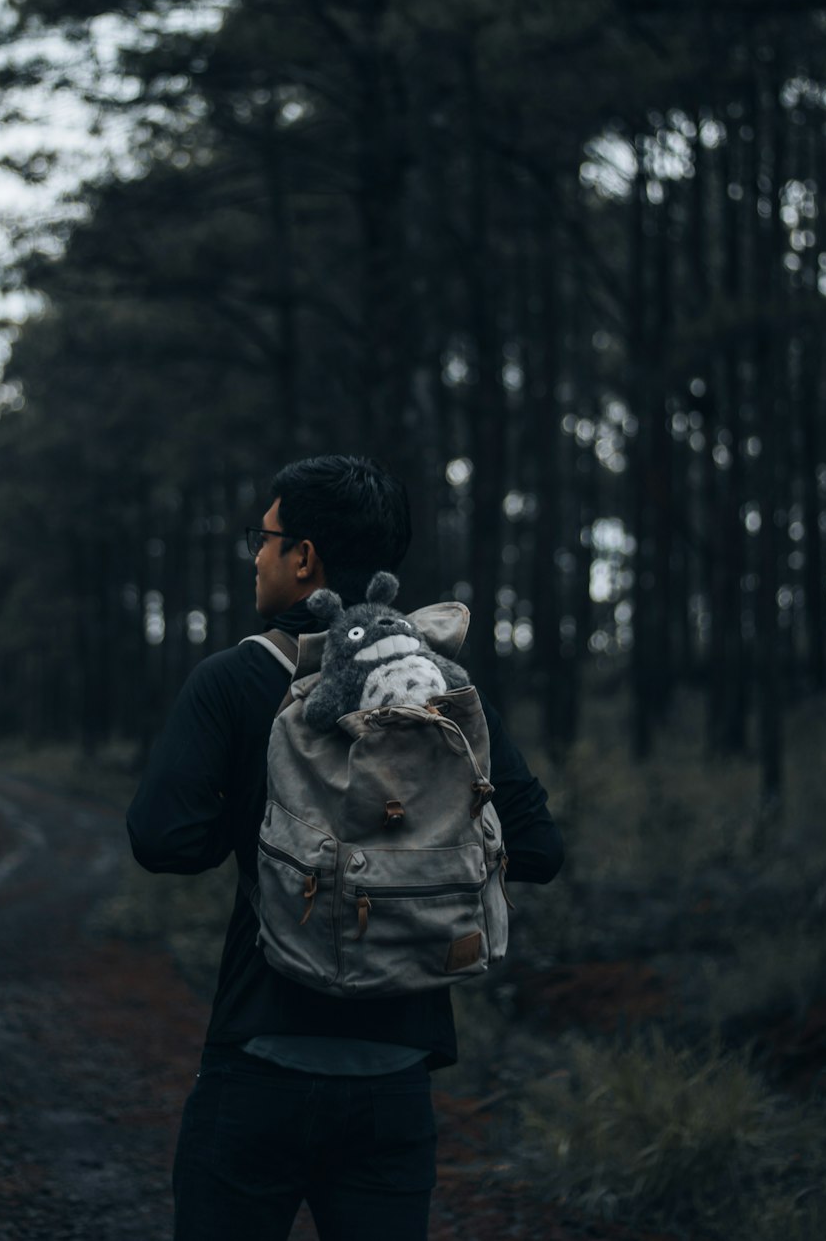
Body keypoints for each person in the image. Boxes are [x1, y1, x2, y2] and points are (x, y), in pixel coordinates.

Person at [126, 454, 564, 1241]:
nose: (256, 554)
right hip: (396, 1076)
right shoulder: (439, 692)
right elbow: (538, 849)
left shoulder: (233, 682)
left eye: (264, 537)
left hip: (258, 1058)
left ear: (304, 558)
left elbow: (164, 840)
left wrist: (273, 818)